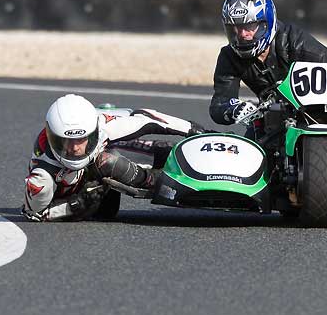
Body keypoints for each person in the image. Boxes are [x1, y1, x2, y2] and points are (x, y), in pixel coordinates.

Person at [212, 0, 327, 175]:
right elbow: (219, 103)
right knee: (246, 171)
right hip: (270, 116)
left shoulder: (293, 40)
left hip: (314, 111)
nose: (243, 35)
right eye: (236, 28)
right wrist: (235, 109)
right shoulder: (229, 56)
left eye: (250, 27)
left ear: (267, 23)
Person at [22, 94, 207, 222]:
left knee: (156, 148)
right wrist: (75, 205)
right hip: (76, 202)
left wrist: (195, 131)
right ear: (52, 135)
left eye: (82, 139)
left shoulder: (101, 124)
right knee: (109, 160)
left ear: (93, 130)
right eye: (66, 141)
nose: (75, 148)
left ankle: (174, 161)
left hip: (94, 178)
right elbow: (33, 213)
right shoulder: (43, 175)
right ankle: (160, 182)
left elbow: (147, 119)